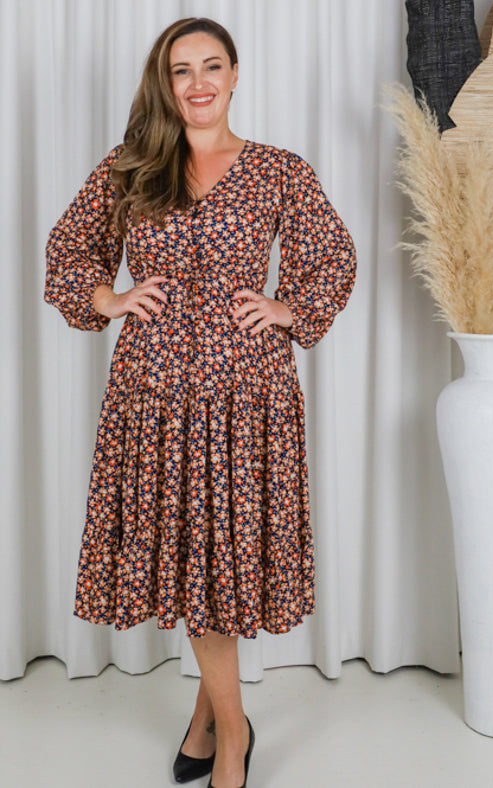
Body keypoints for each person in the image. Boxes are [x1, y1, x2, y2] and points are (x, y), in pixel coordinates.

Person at [44, 17, 356, 788]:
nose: (197, 83)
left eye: (211, 66)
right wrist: (110, 298)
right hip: (151, 396)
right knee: (186, 558)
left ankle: (224, 732)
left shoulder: (279, 170)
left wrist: (288, 308)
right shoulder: (131, 167)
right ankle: (227, 721)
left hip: (245, 396)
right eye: (181, 70)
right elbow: (67, 251)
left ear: (235, 75)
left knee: (219, 564)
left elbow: (334, 257)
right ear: (166, 83)